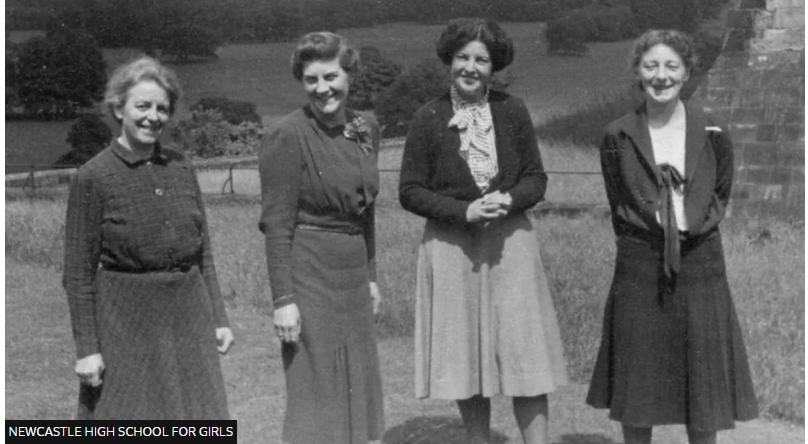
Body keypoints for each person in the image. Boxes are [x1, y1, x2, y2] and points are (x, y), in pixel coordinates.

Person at [398, 18, 568, 444]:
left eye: (482, 59)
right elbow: (410, 190)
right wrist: (464, 210)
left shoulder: (512, 111)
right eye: (463, 57)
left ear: (495, 67)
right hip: (452, 248)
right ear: (448, 61)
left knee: (524, 354)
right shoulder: (428, 116)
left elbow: (535, 177)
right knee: (466, 360)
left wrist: (510, 199)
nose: (471, 67)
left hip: (511, 245)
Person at [586, 29, 759, 444]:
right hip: (640, 266)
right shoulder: (618, 133)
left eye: (670, 66)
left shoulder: (713, 128)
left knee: (703, 383)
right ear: (637, 72)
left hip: (701, 264)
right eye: (651, 66)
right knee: (637, 378)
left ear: (686, 73)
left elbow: (720, 192)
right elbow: (618, 201)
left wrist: (690, 225)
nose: (660, 76)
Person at [62, 56, 234, 420]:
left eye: (161, 108)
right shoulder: (93, 176)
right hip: (125, 323)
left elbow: (204, 254)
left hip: (188, 317)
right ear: (118, 108)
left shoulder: (182, 167)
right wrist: (87, 349)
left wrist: (218, 317)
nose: (152, 117)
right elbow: (77, 274)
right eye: (142, 106)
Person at [258, 32, 384, 444]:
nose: (322, 88)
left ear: (349, 75)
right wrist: (284, 301)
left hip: (352, 273)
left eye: (330, 76)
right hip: (310, 271)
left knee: (357, 381)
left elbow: (367, 213)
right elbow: (277, 224)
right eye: (311, 80)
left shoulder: (366, 127)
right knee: (315, 385)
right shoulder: (286, 136)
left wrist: (371, 275)